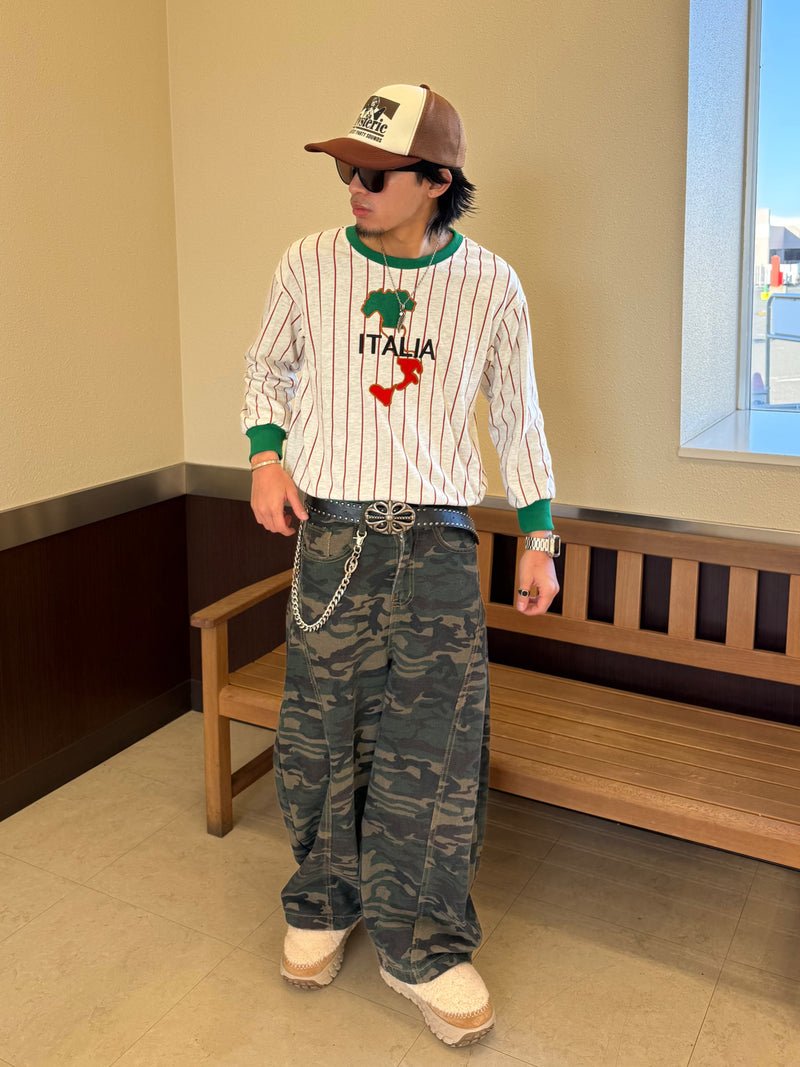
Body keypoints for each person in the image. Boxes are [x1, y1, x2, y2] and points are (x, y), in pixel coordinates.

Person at [242, 83, 559, 1048]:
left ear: (436, 180)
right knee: (319, 729)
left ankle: (422, 943)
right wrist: (265, 455)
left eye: (375, 173)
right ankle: (323, 900)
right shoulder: (308, 263)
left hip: (438, 545)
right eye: (347, 168)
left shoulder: (492, 286)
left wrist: (540, 537)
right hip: (334, 533)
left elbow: (517, 415)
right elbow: (267, 366)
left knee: (437, 746)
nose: (354, 185)